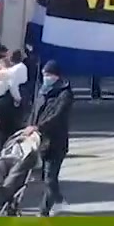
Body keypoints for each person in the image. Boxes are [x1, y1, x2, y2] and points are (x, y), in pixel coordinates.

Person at [24, 60, 74, 217]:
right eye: (44, 74)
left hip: (56, 141)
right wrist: (29, 126)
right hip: (39, 141)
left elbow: (57, 116)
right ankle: (58, 200)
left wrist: (39, 127)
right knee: (46, 177)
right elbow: (34, 112)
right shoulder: (42, 91)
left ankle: (43, 211)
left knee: (50, 178)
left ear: (56, 76)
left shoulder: (65, 94)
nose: (46, 77)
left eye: (49, 74)